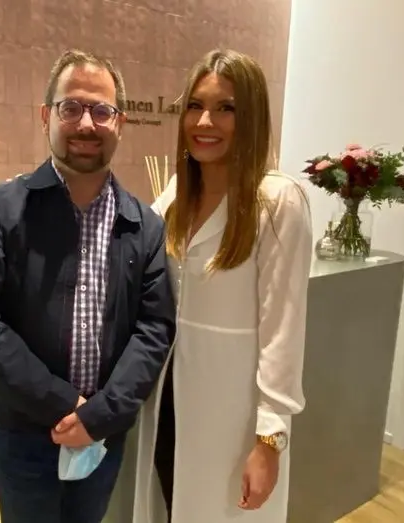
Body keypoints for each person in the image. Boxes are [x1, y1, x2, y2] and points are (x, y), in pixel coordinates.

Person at [0, 49, 176, 523]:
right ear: (45, 116)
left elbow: (154, 329)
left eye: (101, 111)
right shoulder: (3, 210)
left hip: (103, 436)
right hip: (23, 434)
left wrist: (99, 416)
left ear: (120, 123)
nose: (86, 124)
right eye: (70, 107)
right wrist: (62, 403)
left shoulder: (144, 226)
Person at [130, 49, 313, 523]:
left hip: (234, 409)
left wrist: (270, 439)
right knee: (172, 503)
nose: (205, 121)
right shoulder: (177, 193)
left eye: (225, 108)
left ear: (251, 116)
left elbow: (283, 330)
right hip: (170, 396)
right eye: (195, 105)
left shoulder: (277, 200)